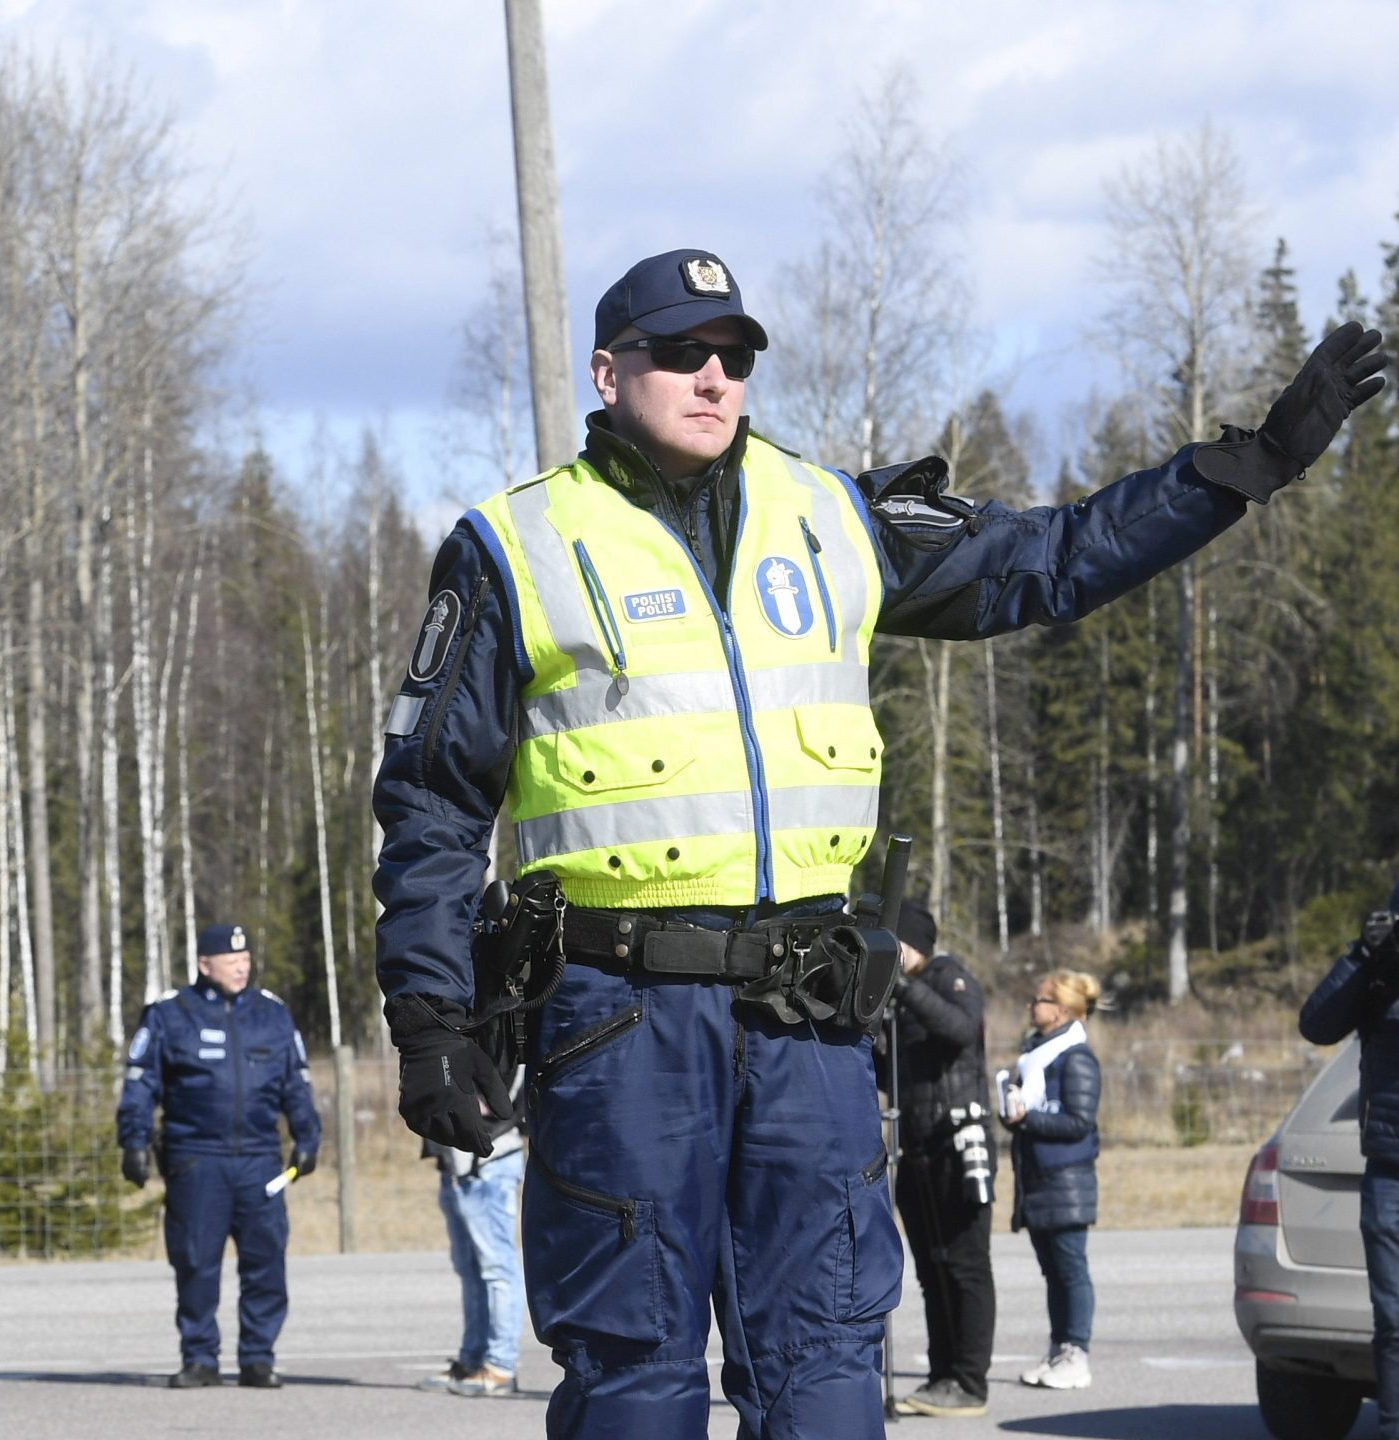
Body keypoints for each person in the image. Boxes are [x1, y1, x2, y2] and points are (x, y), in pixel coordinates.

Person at [370, 244, 1389, 1438]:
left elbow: (1049, 561)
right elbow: (434, 801)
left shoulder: (832, 516)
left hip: (807, 1022)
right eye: (679, 353)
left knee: (827, 1373)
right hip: (620, 1019)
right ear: (608, 370)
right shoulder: (516, 546)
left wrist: (1243, 469)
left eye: (734, 354)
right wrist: (430, 1019)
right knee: (631, 1377)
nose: (712, 376)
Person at [116, 923, 322, 1390]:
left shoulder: (272, 1014)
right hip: (196, 1159)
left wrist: (308, 1136)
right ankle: (199, 1358)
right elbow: (139, 1082)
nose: (242, 965)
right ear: (205, 965)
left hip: (260, 1161)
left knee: (266, 1263)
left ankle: (258, 1358)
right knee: (195, 1263)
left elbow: (297, 1081)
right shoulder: (171, 1014)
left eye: (246, 957)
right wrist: (132, 1140)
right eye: (231, 959)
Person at [877, 900, 995, 1418]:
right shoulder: (903, 1000)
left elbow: (961, 1030)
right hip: (917, 1146)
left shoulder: (949, 978)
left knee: (965, 1266)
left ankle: (968, 1380)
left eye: (892, 945)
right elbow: (892, 1073)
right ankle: (941, 1375)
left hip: (958, 1142)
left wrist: (903, 987)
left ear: (913, 945)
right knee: (932, 1269)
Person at [1296, 882, 1399, 1435]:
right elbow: (1316, 1025)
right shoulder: (1378, 975)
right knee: (1394, 1323)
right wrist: (1362, 955)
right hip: (1390, 1171)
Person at [1005, 969, 1102, 1391]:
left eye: (1039, 999)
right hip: (1039, 1178)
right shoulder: (1036, 1054)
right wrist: (1012, 1114)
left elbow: (1079, 1121)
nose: (1031, 1005)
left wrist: (1030, 1118)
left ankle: (1076, 1354)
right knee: (1053, 1272)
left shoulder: (1076, 1057)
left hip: (1066, 1179)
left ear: (1061, 1010)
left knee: (1070, 1270)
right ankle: (1059, 1348)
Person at [417, 1066, 526, 1398]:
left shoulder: (499, 1023)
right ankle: (473, 1358)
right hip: (457, 1164)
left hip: (488, 1162)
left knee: (498, 1268)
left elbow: (503, 1096)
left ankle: (501, 1366)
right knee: (470, 1269)